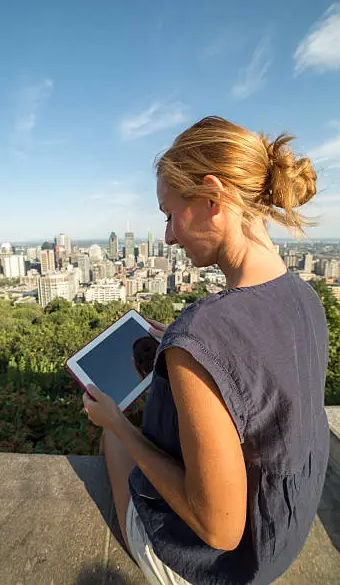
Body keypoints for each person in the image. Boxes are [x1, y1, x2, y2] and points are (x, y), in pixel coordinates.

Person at [83, 116, 329, 585]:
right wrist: (180, 338)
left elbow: (219, 529)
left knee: (113, 438)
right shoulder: (304, 296)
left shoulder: (203, 334)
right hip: (284, 532)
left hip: (220, 569)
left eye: (169, 215)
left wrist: (117, 422)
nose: (170, 236)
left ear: (213, 198)